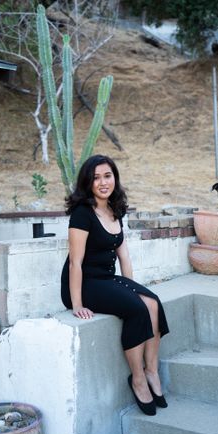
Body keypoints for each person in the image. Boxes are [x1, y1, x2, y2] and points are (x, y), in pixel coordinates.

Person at [61, 154, 169, 415]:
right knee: (136, 309)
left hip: (107, 279)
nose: (102, 182)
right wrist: (76, 304)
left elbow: (124, 256)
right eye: (96, 177)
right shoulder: (82, 214)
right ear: (88, 182)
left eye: (107, 176)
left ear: (114, 178)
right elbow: (75, 262)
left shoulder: (114, 208)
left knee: (152, 302)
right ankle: (137, 378)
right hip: (84, 283)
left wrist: (132, 289)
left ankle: (151, 371)